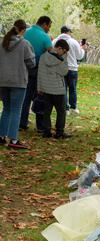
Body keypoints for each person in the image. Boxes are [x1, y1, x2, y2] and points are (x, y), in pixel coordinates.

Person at [0, 19, 36, 149]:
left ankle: (1, 136)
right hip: (18, 81)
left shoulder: (2, 42)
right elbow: (31, 63)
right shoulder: (25, 44)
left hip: (3, 81)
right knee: (16, 110)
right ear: (23, 30)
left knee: (6, 109)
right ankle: (14, 140)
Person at [20, 16, 52, 132]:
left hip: (23, 68)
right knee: (40, 97)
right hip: (38, 69)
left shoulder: (25, 32)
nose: (49, 29)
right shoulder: (45, 36)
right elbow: (51, 53)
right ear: (44, 24)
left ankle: (22, 122)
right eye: (49, 26)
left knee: (25, 96)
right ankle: (41, 125)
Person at [37, 39, 70, 139]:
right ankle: (59, 132)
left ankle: (46, 131)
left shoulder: (43, 57)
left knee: (47, 111)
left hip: (46, 88)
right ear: (59, 48)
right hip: (58, 89)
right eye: (64, 51)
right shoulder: (60, 59)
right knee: (61, 111)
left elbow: (40, 72)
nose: (64, 53)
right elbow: (64, 72)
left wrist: (39, 87)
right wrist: (64, 58)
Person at [53, 26, 86, 116]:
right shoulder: (74, 42)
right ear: (68, 32)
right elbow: (80, 56)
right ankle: (73, 107)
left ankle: (65, 108)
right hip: (72, 68)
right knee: (72, 89)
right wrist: (82, 48)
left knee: (62, 89)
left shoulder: (55, 41)